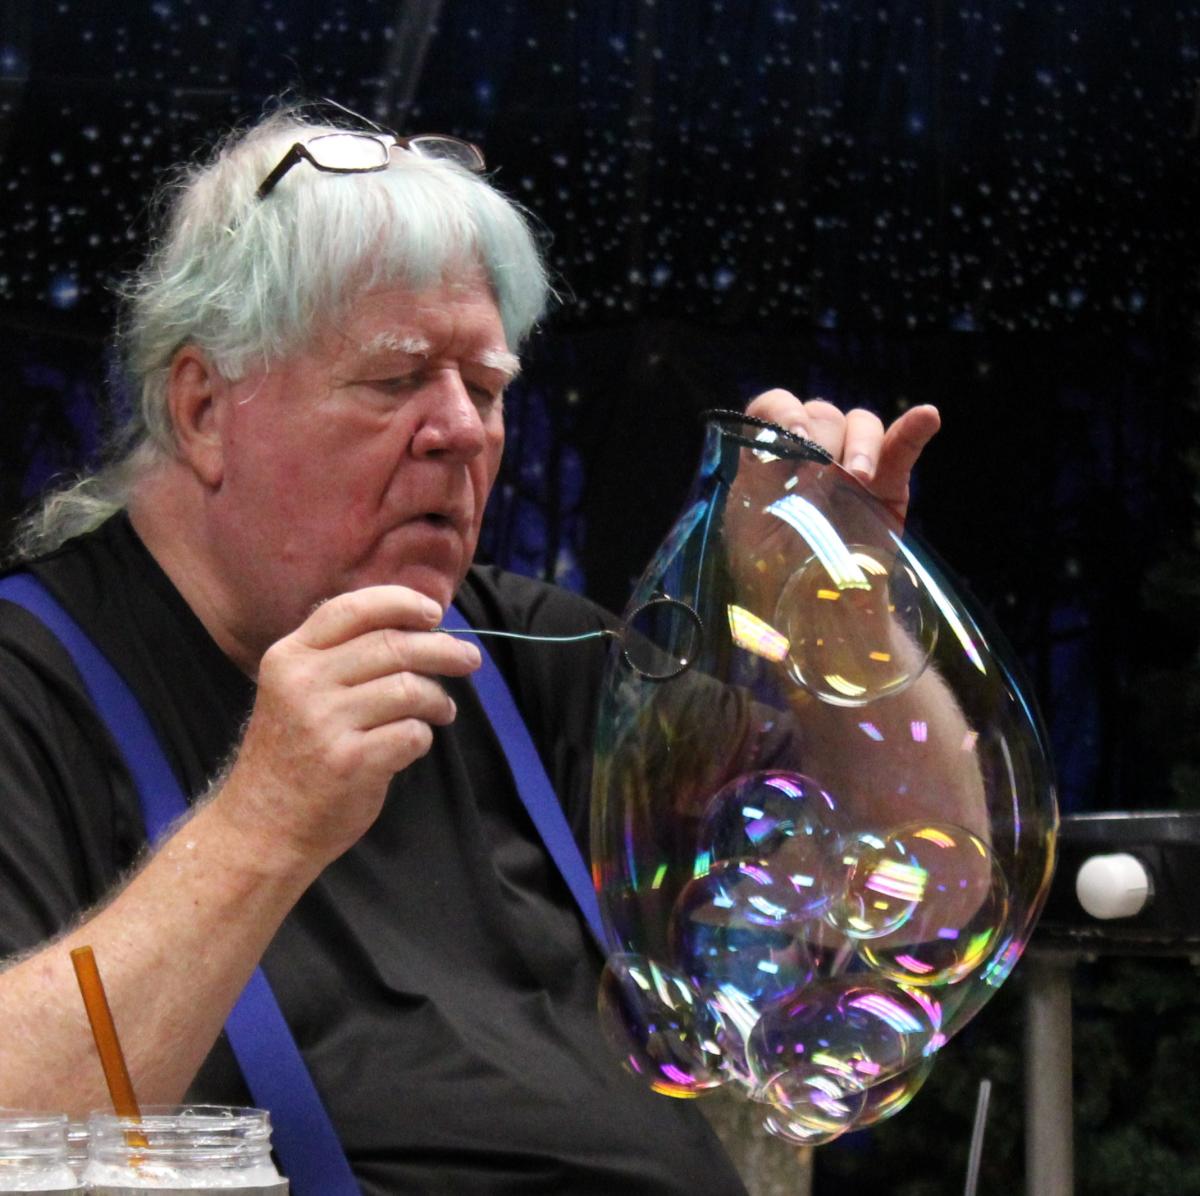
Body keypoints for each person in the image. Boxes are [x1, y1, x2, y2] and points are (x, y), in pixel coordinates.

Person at [0, 106, 941, 1194]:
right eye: (396, 380)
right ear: (204, 408)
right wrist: (262, 820)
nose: (462, 431)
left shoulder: (522, 650)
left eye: (486, 388)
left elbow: (909, 878)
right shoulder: (33, 685)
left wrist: (846, 619)